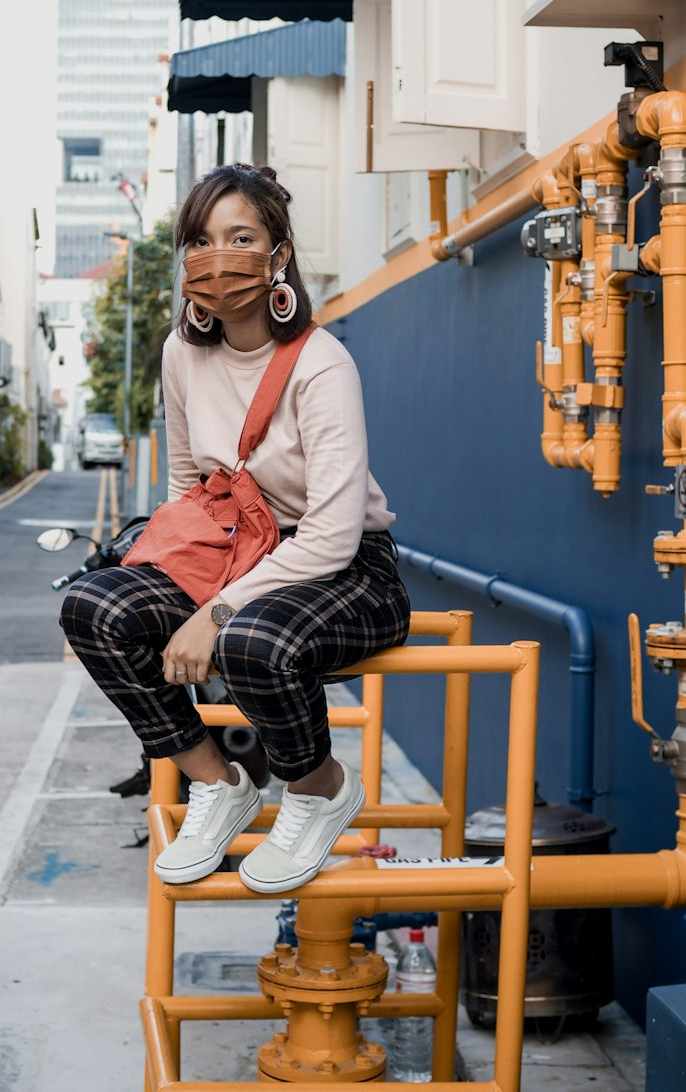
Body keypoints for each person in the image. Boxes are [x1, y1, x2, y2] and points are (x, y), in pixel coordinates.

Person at [59, 163, 409, 893]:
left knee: (251, 637)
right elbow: (188, 487)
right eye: (202, 240)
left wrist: (215, 612)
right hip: (231, 549)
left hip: (347, 573)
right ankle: (218, 785)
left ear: (277, 254)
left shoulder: (322, 365)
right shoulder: (182, 352)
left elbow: (332, 537)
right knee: (95, 606)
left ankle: (320, 789)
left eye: (240, 237)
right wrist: (181, 582)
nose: (219, 257)